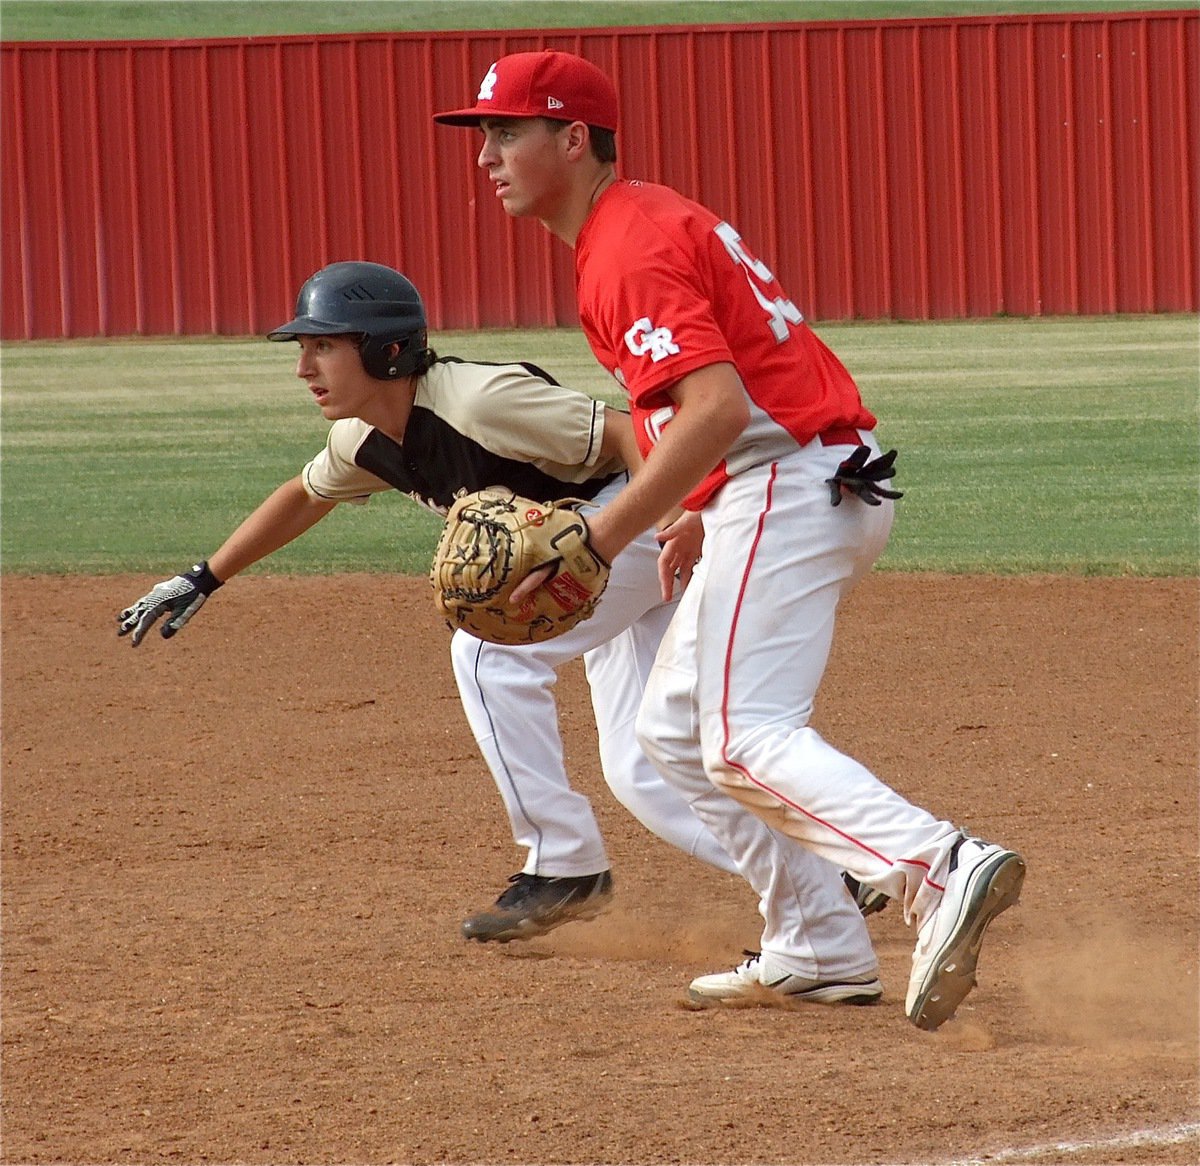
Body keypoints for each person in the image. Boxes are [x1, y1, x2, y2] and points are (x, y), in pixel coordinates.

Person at [434, 51, 1025, 1030]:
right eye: (483, 134)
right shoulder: (644, 220)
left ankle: (938, 865)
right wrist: (697, 509)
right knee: (670, 733)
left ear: (573, 139)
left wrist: (603, 531)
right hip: (794, 478)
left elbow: (717, 408)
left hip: (788, 485)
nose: (486, 155)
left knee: (746, 735)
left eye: (506, 131)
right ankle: (818, 945)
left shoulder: (625, 248)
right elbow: (740, 386)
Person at [116, 259, 741, 943]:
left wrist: (679, 515)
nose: (304, 368)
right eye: (303, 348)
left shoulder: (479, 403)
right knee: (642, 769)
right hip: (591, 556)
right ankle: (814, 874)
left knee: (488, 654)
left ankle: (564, 866)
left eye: (323, 345)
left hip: (633, 523)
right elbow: (305, 495)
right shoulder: (362, 438)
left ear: (385, 351)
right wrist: (205, 576)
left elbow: (628, 433)